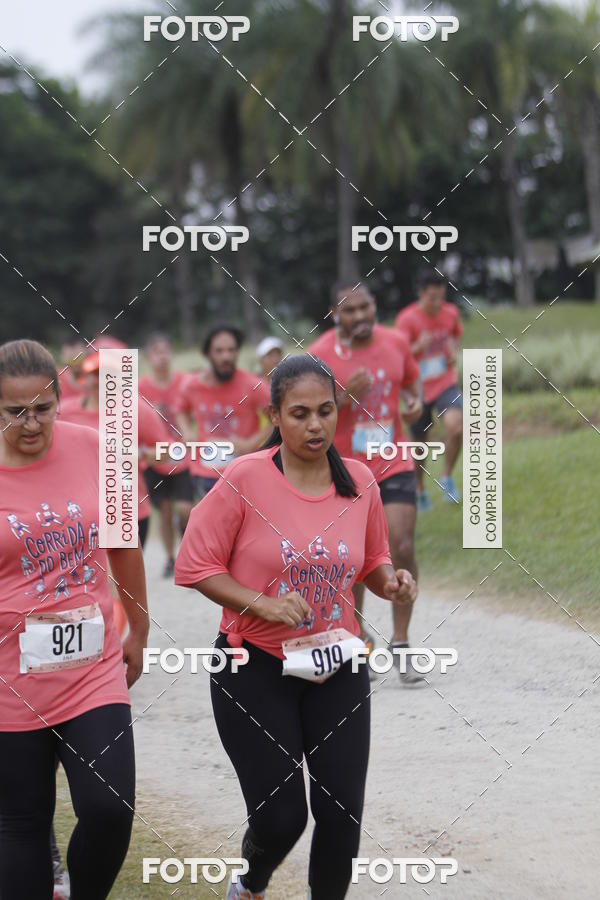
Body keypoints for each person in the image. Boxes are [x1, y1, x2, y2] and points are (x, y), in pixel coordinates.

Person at [174, 354, 416, 900]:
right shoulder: (245, 477)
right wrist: (260, 602)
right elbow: (195, 565)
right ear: (276, 417)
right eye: (300, 413)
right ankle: (251, 884)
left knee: (341, 815)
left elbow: (372, 564)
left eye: (326, 411)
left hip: (338, 663)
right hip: (251, 666)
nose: (315, 425)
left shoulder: (359, 481)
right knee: (283, 817)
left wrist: (393, 582)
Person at [0, 339, 149, 899]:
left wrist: (139, 627)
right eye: (15, 411)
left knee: (110, 809)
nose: (31, 422)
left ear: (60, 400)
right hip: (10, 677)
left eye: (42, 407)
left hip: (93, 667)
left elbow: (122, 540)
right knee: (22, 825)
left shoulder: (96, 448)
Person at [308, 282, 425, 683]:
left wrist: (414, 401)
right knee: (352, 559)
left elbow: (412, 384)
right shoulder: (321, 355)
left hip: (393, 460)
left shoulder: (396, 342)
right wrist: (341, 398)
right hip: (344, 468)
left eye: (364, 307)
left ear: (374, 305)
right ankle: (357, 638)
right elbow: (308, 416)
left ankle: (402, 641)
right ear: (334, 314)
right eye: (349, 310)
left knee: (402, 545)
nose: (359, 316)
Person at [61, 351, 170, 549]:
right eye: (95, 374)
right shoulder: (64, 412)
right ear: (84, 379)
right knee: (93, 578)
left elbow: (168, 452)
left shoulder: (136, 409)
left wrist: (138, 454)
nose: (101, 380)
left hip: (128, 510)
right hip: (79, 513)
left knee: (125, 580)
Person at [395, 272, 464, 510]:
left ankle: (446, 476)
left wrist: (453, 350)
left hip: (446, 382)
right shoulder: (407, 319)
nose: (437, 303)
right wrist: (417, 347)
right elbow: (397, 355)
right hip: (418, 388)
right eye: (432, 298)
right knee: (419, 445)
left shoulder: (450, 313)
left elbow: (455, 335)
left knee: (458, 427)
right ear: (421, 294)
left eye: (441, 297)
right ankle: (420, 489)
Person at [175, 324, 271, 495]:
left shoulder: (253, 385)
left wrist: (251, 442)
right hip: (205, 471)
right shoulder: (192, 385)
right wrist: (187, 432)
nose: (226, 356)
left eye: (231, 350)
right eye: (219, 351)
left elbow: (277, 418)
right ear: (207, 354)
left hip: (243, 470)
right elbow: (180, 409)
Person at [140, 334, 194, 577]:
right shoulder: (140, 389)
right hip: (154, 458)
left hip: (182, 455)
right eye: (156, 352)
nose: (162, 357)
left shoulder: (185, 382)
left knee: (185, 508)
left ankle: (189, 554)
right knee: (163, 510)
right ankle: (171, 558)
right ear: (148, 358)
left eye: (165, 351)